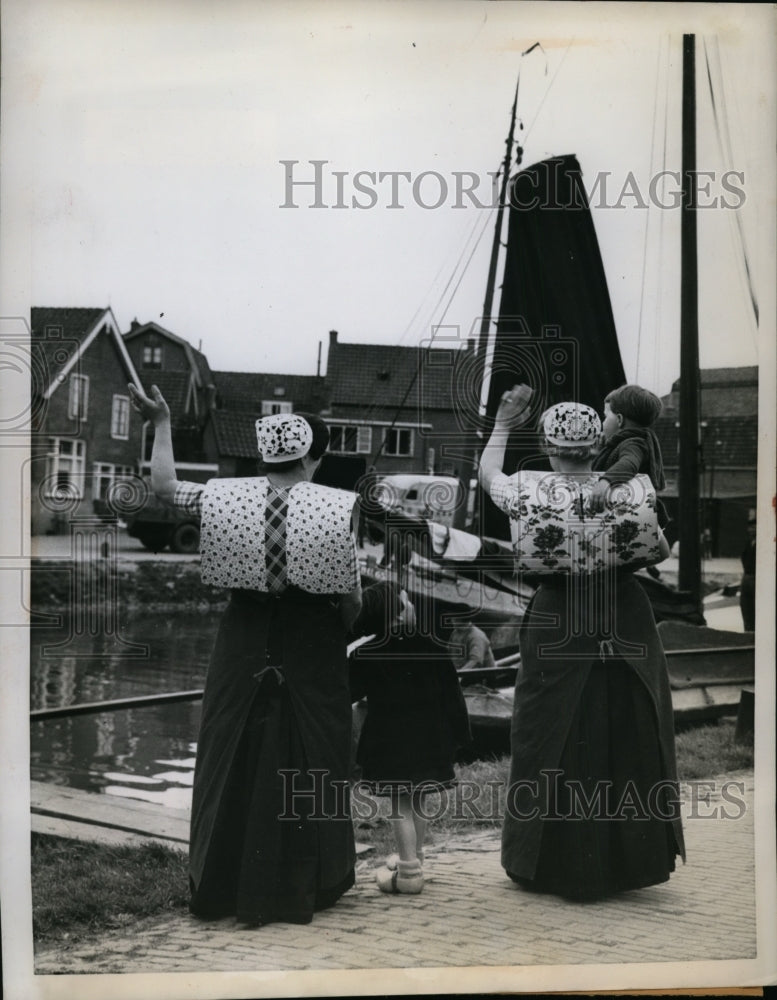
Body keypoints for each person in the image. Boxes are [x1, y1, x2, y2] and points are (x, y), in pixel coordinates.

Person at [128, 383, 362, 927]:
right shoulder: (335, 507)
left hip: (242, 640)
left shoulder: (220, 495)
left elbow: (163, 486)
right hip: (311, 641)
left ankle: (224, 880)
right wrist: (344, 628)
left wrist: (162, 422)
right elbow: (348, 594)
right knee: (312, 753)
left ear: (263, 453)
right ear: (311, 457)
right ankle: (309, 882)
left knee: (232, 745)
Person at [480, 384, 684, 901]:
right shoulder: (633, 487)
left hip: (558, 614)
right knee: (626, 721)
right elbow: (658, 550)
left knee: (547, 732)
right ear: (597, 446)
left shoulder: (528, 491)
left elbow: (487, 476)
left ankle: (542, 860)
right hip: (624, 613)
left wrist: (503, 423)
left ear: (550, 446)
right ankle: (629, 860)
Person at [349, 582, 471, 895]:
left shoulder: (367, 652)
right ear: (399, 612)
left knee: (399, 801)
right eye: (407, 601)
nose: (413, 605)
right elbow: (453, 697)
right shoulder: (433, 645)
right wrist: (460, 736)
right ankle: (414, 859)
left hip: (389, 742)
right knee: (419, 798)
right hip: (431, 739)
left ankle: (408, 874)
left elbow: (347, 692)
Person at [588, 383, 666, 515]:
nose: (603, 423)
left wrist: (605, 481)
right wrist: (598, 453)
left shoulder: (633, 443)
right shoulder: (630, 442)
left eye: (605, 417)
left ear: (619, 420)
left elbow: (629, 463)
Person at [739, 512, 756, 632]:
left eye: (754, 527)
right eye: (749, 527)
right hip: (747, 577)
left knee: (755, 607)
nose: (751, 530)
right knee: (746, 606)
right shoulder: (748, 543)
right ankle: (748, 630)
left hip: (756, 578)